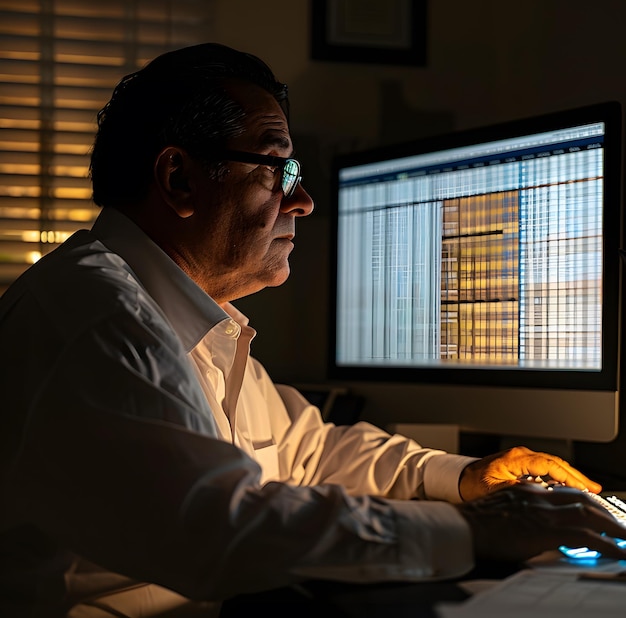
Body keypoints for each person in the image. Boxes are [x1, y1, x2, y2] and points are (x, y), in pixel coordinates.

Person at [1, 43, 625, 618]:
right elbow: (217, 530)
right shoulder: (98, 319)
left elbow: (309, 451)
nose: (303, 201)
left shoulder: (181, 319)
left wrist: (466, 479)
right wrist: (481, 533)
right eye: (277, 169)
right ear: (179, 180)